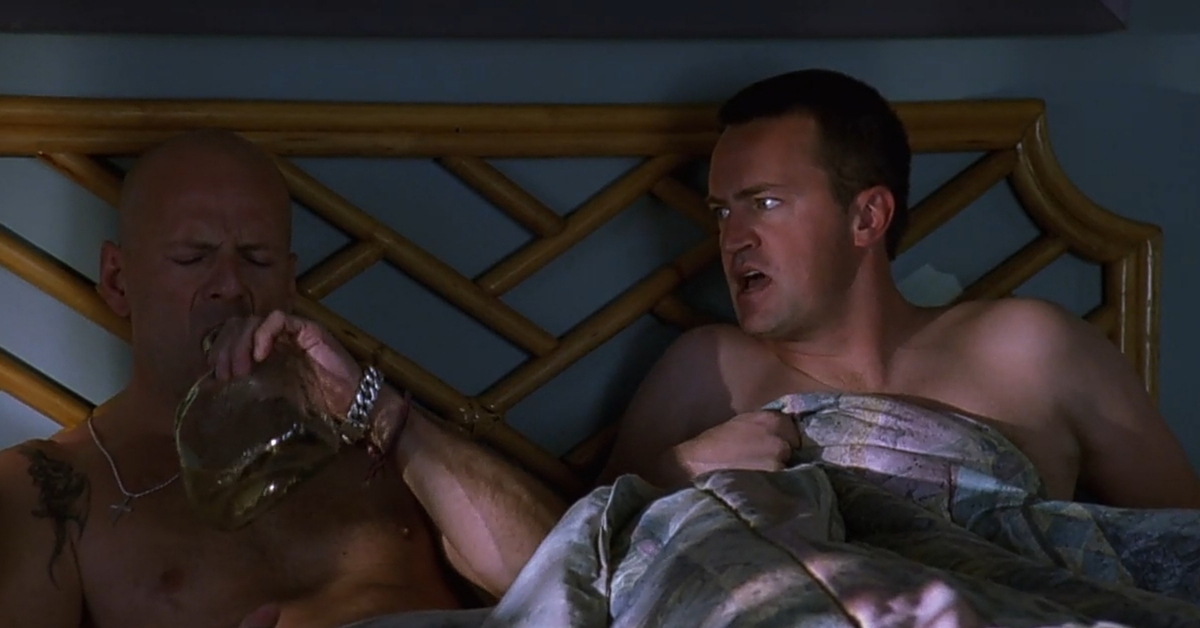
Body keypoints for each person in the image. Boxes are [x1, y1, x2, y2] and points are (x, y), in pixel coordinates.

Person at [0, 130, 565, 628]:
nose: (230, 285)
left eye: (257, 259)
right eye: (193, 258)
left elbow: (569, 577)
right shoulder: (54, 487)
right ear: (118, 280)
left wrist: (376, 409)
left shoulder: (375, 437)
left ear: (289, 284)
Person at [599, 68, 1200, 509]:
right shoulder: (708, 372)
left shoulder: (1030, 350)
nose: (733, 238)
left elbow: (1183, 545)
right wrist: (684, 467)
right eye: (722, 212)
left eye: (766, 202)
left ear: (867, 218)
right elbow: (583, 563)